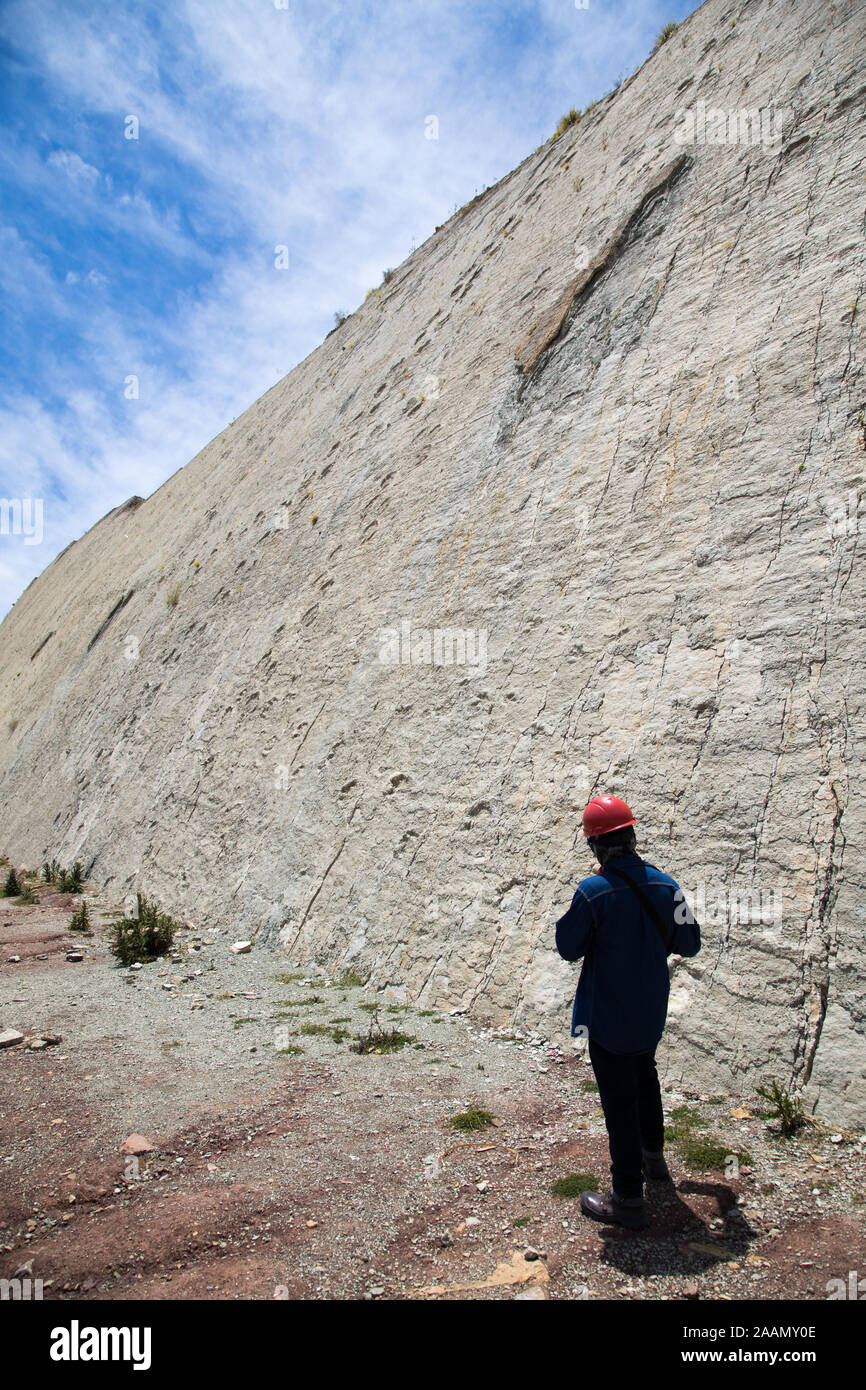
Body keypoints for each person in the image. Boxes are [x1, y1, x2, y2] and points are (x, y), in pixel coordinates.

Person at [555, 794, 701, 1230]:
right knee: (645, 1074)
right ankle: (654, 1159)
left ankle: (627, 1198)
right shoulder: (666, 884)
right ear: (633, 836)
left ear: (596, 846)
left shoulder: (593, 890)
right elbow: (689, 943)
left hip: (606, 1015)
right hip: (650, 1009)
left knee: (618, 1100)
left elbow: (567, 947)